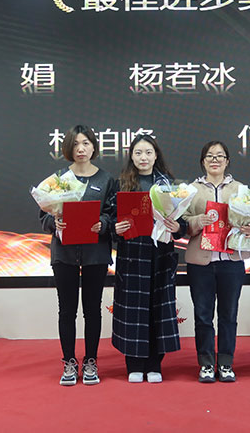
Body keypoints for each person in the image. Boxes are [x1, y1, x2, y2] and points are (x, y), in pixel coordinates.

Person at [39, 125, 115, 386]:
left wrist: (103, 224)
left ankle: (91, 360)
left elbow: (113, 214)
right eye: (75, 144)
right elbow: (43, 215)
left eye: (86, 143)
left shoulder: (106, 179)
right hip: (65, 253)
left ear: (94, 146)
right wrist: (54, 222)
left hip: (95, 253)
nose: (81, 149)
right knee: (67, 309)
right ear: (68, 148)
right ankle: (69, 361)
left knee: (92, 309)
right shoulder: (58, 179)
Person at [181, 141, 250, 383]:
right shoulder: (190, 190)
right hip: (201, 263)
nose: (214, 160)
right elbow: (181, 223)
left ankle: (226, 362)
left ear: (227, 161)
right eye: (210, 156)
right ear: (203, 161)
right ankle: (206, 363)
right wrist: (197, 221)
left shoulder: (241, 190)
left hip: (231, 261)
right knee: (203, 315)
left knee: (229, 314)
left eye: (219, 156)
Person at [110, 135, 183, 383]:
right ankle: (134, 365)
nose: (143, 157)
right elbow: (111, 219)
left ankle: (154, 364)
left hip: (161, 255)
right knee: (133, 310)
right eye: (138, 152)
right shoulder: (121, 184)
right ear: (131, 156)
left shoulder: (168, 185)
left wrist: (178, 227)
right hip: (132, 256)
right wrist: (115, 228)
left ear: (156, 155)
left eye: (148, 152)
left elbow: (181, 221)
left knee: (158, 309)